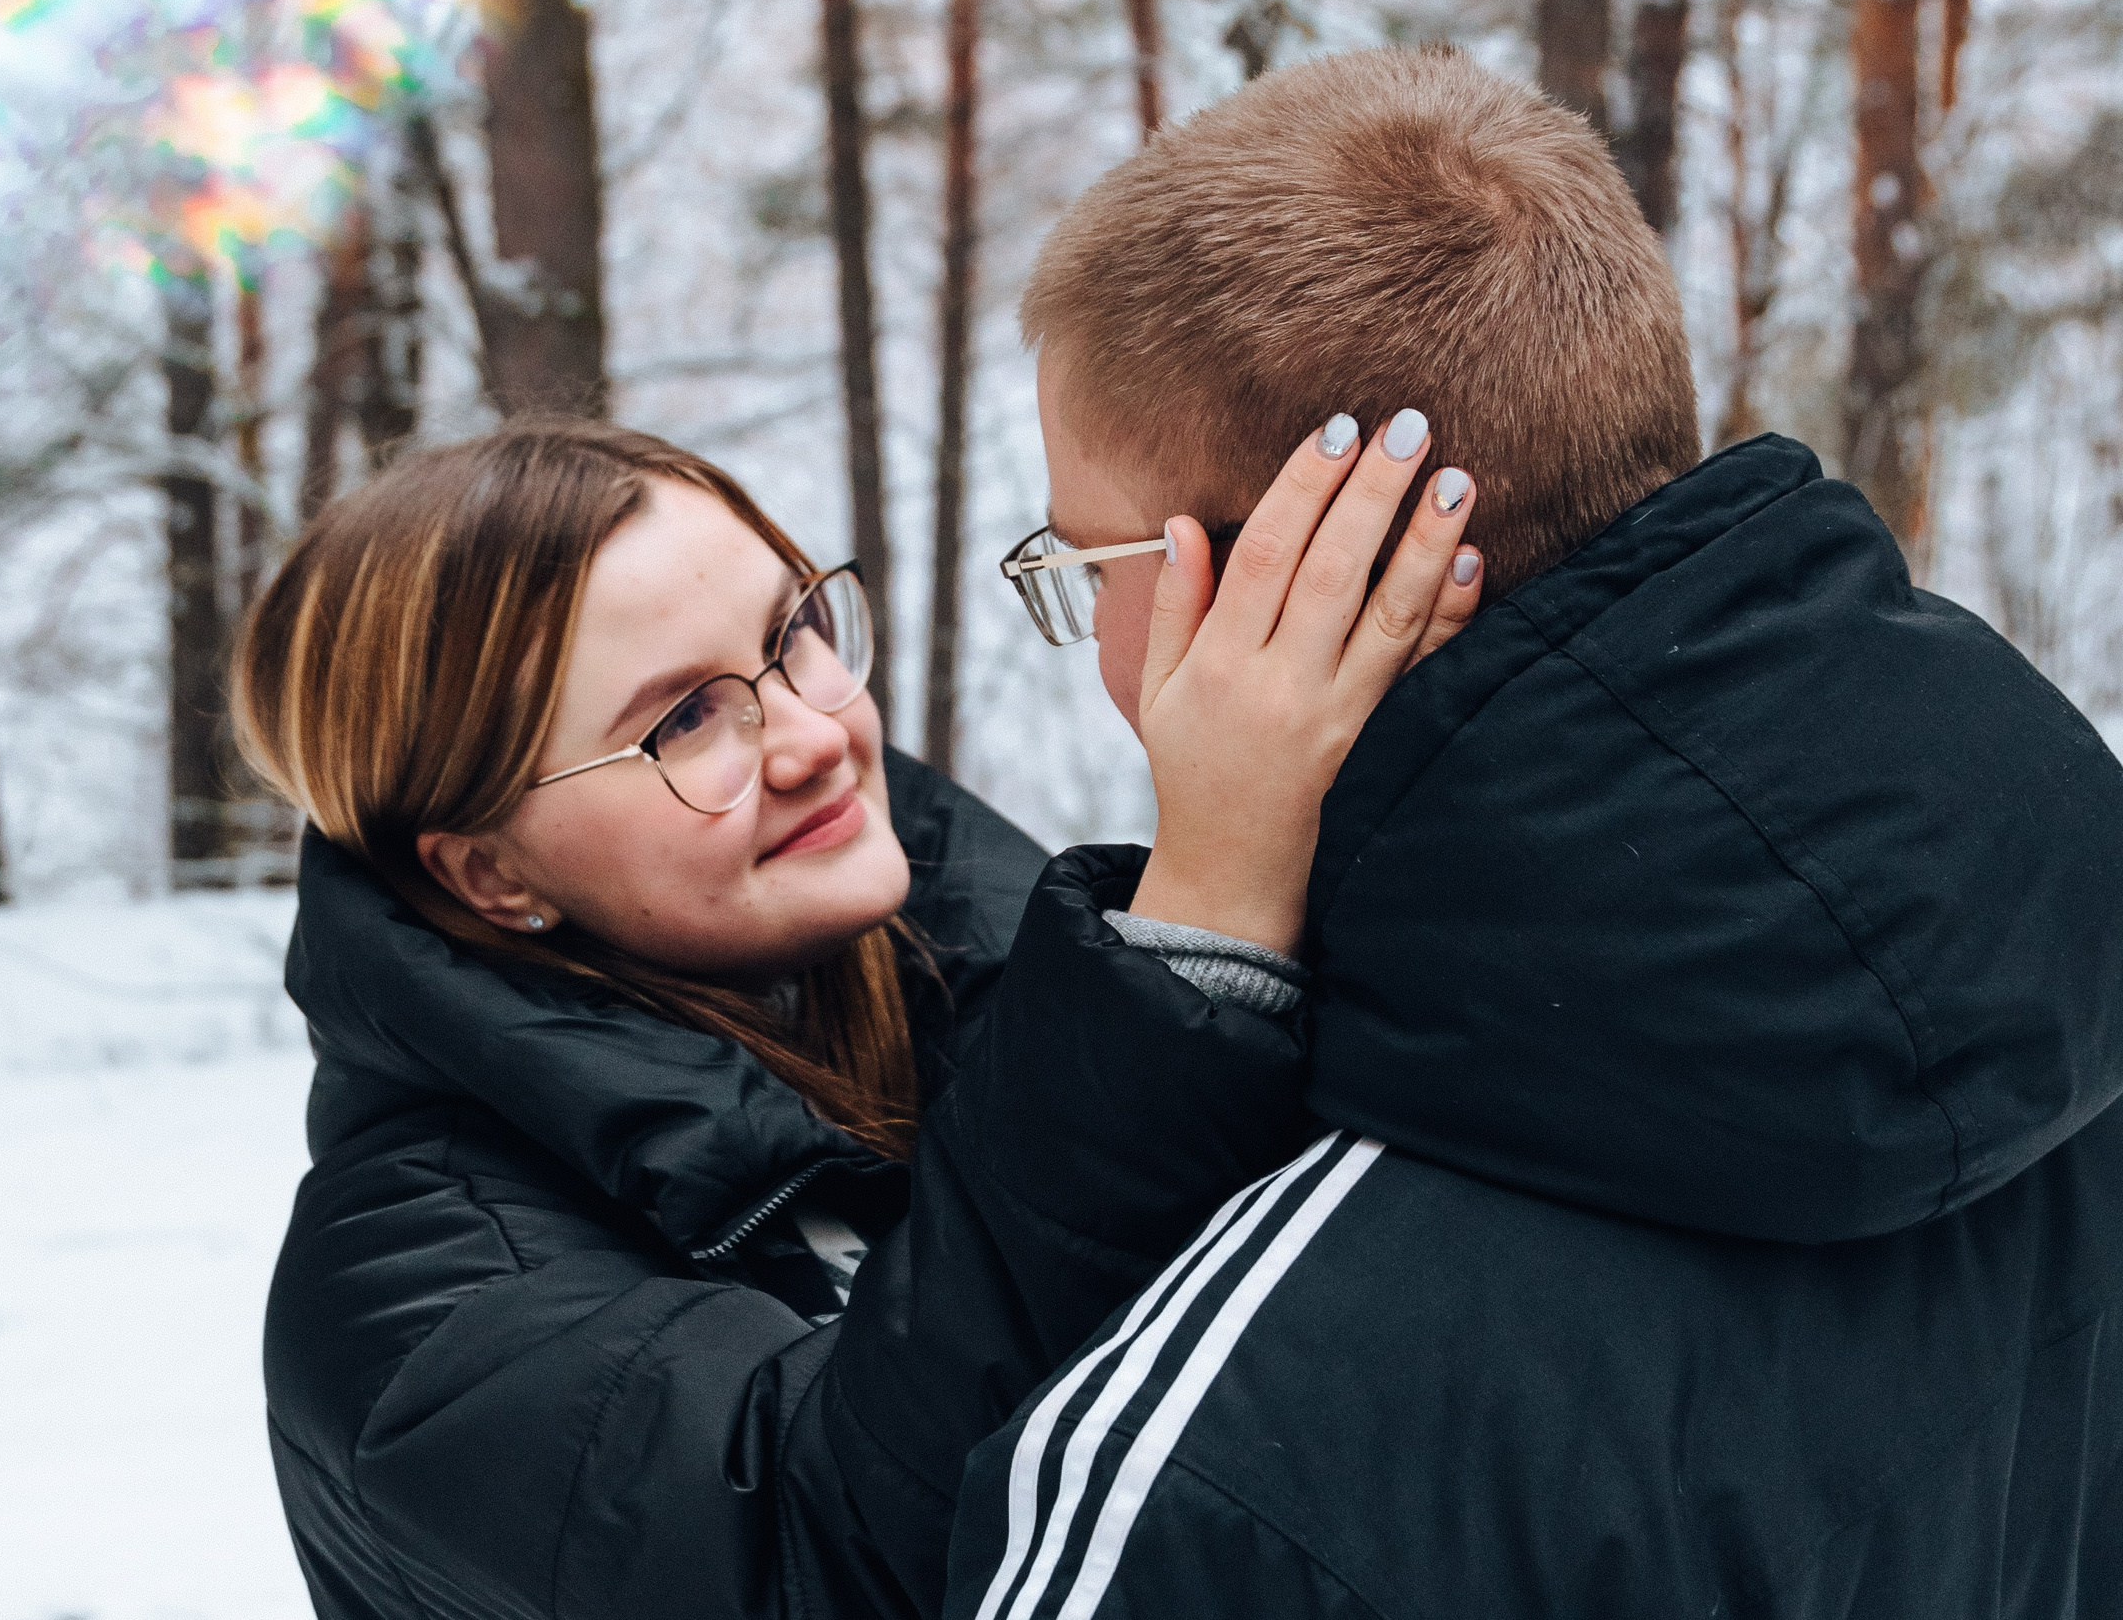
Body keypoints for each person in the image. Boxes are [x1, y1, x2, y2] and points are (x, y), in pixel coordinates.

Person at [946, 47, 2123, 1619]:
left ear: (1311, 574)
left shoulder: (1229, 1472)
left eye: (1089, 565)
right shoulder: (2057, 971)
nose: (1090, 630)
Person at [234, 420, 1475, 1619]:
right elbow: (835, 1559)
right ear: (488, 875)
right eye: (681, 720)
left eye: (797, 634)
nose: (816, 733)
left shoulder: (996, 991)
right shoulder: (409, 1307)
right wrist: (1196, 928)